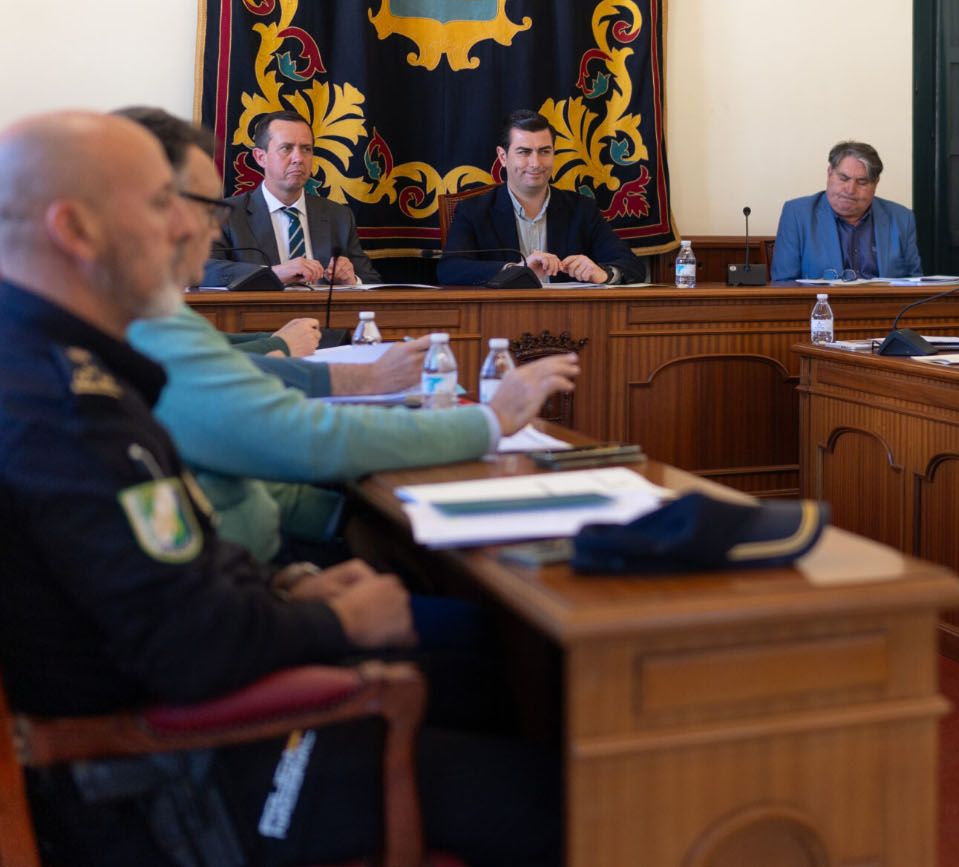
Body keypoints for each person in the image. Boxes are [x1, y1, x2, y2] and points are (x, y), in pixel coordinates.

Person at [0, 111, 560, 865]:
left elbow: (180, 562)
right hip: (178, 779)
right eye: (161, 203)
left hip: (199, 707)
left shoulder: (63, 364)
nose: (186, 230)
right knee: (565, 794)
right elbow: (186, 645)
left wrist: (290, 586)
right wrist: (340, 623)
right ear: (76, 229)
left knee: (497, 686)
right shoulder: (61, 405)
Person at [118, 107, 581, 563]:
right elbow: (306, 437)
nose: (212, 226)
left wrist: (351, 371)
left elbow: (224, 363)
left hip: (262, 561)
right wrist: (489, 421)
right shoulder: (127, 334)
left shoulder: (148, 319)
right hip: (238, 590)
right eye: (203, 207)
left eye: (307, 148)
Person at [439, 109, 647, 286]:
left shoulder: (582, 209)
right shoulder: (474, 210)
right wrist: (517, 270)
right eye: (524, 152)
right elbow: (450, 269)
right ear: (503, 157)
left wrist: (603, 273)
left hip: (570, 321)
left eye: (544, 151)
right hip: (498, 319)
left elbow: (632, 266)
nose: (536, 163)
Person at [201, 109, 382, 288]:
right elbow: (203, 270)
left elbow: (372, 282)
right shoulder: (226, 214)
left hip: (325, 315)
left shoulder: (338, 216)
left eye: (306, 149)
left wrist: (352, 279)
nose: (298, 158)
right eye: (286, 148)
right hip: (260, 315)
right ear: (260, 157)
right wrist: (273, 273)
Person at [771, 140, 923, 280]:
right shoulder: (797, 214)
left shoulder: (901, 218)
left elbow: (915, 284)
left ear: (875, 183)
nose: (850, 190)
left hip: (885, 308)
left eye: (862, 182)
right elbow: (784, 283)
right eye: (843, 179)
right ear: (829, 173)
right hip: (822, 307)